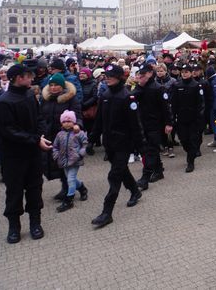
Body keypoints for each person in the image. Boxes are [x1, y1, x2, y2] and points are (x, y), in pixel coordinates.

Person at [0, 64, 49, 244]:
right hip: (13, 156)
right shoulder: (4, 101)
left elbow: (39, 117)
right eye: (28, 76)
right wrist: (35, 140)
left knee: (35, 188)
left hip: (33, 153)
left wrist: (41, 135)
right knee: (14, 191)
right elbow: (9, 131)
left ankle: (35, 223)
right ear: (19, 78)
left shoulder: (29, 95)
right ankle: (14, 227)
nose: (32, 79)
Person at [89, 64, 146, 228]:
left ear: (120, 77)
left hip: (124, 144)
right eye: (106, 75)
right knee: (121, 171)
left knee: (114, 176)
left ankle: (107, 212)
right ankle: (135, 191)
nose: (107, 77)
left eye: (111, 75)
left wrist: (141, 147)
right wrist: (92, 141)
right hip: (109, 143)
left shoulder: (127, 97)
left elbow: (136, 124)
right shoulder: (105, 95)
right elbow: (99, 121)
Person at [40, 72, 82, 201]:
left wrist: (77, 125)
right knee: (57, 164)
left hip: (67, 137)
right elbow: (41, 116)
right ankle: (79, 187)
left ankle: (68, 190)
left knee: (65, 165)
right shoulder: (46, 99)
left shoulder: (71, 98)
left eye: (56, 85)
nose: (53, 88)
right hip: (50, 136)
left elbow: (78, 116)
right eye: (51, 85)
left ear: (62, 86)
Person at [132, 63, 172, 190]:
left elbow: (166, 108)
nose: (141, 77)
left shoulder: (158, 88)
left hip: (156, 124)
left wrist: (169, 123)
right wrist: (139, 85)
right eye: (140, 75)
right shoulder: (141, 87)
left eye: (143, 75)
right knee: (150, 150)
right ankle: (159, 170)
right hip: (143, 123)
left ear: (150, 74)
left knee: (151, 151)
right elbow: (132, 98)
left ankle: (145, 178)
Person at [52, 110, 89, 212]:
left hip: (75, 160)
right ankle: (82, 188)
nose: (66, 123)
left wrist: (80, 153)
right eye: (64, 121)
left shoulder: (79, 133)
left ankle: (69, 200)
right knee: (71, 179)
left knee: (70, 179)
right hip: (64, 161)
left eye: (69, 121)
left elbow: (85, 143)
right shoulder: (59, 134)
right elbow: (55, 146)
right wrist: (56, 155)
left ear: (74, 122)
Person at [171, 64, 205, 173]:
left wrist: (199, 118)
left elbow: (201, 104)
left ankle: (190, 162)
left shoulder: (196, 85)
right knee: (183, 140)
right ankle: (190, 152)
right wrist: (173, 116)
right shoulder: (177, 85)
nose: (184, 74)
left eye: (186, 72)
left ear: (191, 73)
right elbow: (174, 103)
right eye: (183, 72)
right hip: (181, 118)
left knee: (193, 140)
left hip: (193, 119)